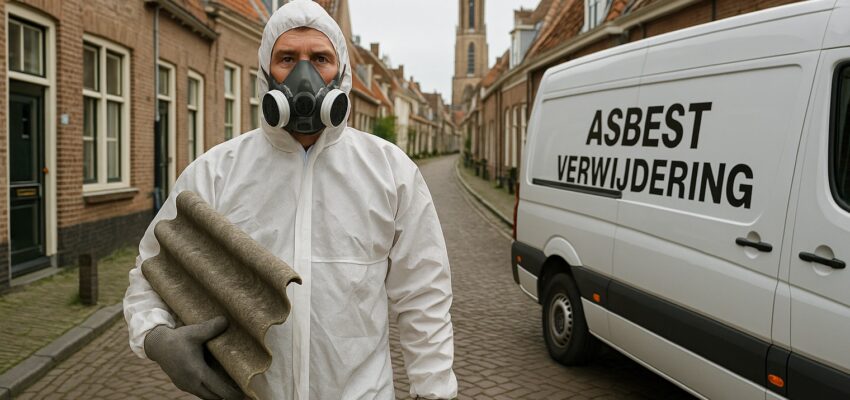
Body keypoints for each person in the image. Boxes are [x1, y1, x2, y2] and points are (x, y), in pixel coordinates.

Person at [122, 1, 458, 399]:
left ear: (342, 74)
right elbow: (153, 270)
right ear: (266, 72)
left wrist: (434, 391)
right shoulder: (216, 173)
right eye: (287, 58)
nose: (304, 74)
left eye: (320, 59)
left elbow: (424, 294)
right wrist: (156, 336)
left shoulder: (390, 172)